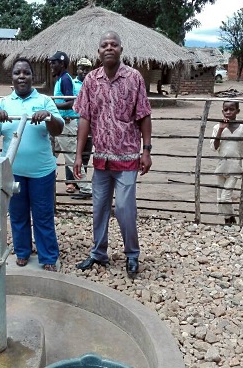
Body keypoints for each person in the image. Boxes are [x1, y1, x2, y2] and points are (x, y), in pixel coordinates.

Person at [73, 31, 152, 278]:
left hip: (127, 158)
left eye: (114, 44)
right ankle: (98, 253)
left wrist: (146, 150)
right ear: (98, 51)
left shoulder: (134, 78)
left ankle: (132, 255)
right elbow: (84, 118)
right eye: (104, 45)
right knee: (99, 208)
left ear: (121, 49)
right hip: (101, 159)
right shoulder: (90, 80)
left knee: (125, 209)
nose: (109, 48)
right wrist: (79, 155)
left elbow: (144, 115)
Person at [0, 57, 64, 272]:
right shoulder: (3, 103)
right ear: (12, 77)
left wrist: (48, 117)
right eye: (17, 73)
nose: (22, 76)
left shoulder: (45, 101)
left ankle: (48, 256)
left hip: (42, 172)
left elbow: (58, 129)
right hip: (13, 171)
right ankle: (22, 252)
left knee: (43, 214)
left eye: (26, 73)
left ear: (32, 76)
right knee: (18, 215)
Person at [49, 51, 92, 199]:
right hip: (61, 124)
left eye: (54, 63)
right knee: (50, 155)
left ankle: (86, 188)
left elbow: (71, 103)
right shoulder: (63, 79)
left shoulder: (65, 79)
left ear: (62, 64)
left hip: (66, 123)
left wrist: (53, 106)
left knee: (71, 157)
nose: (52, 66)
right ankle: (46, 184)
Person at [73, 57, 94, 196]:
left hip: (90, 125)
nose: (84, 72)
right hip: (75, 124)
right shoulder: (72, 84)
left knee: (85, 155)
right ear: (77, 69)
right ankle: (75, 182)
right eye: (81, 68)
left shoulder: (94, 83)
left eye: (87, 69)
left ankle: (80, 181)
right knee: (74, 154)